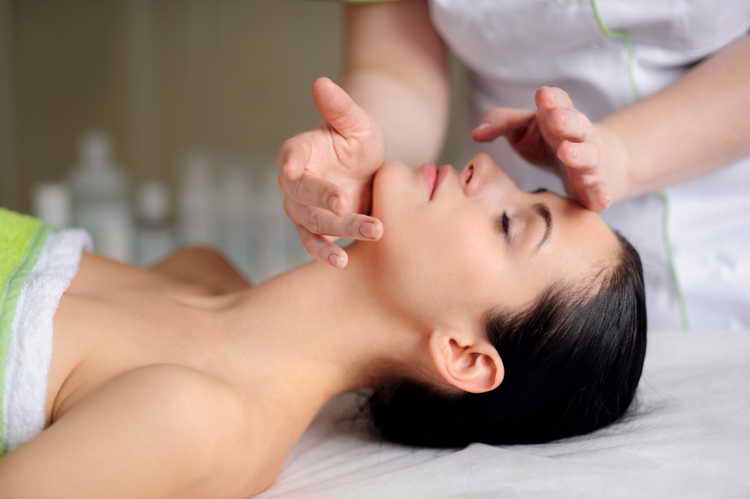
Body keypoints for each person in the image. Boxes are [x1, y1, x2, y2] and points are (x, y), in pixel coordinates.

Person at [0, 149, 646, 497]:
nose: (486, 167)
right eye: (528, 188)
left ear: (464, 355)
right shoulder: (203, 269)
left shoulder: (201, 421)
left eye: (510, 224)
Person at [278, 0, 750, 331]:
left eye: (510, 221)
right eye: (523, 209)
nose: (480, 164)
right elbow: (396, 71)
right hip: (520, 314)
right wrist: (365, 155)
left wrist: (624, 155)